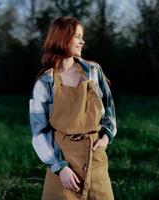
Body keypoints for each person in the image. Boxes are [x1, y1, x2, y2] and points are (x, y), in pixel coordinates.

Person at [29, 16, 117, 200]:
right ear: (62, 38)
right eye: (77, 36)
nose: (82, 41)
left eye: (82, 36)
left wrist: (106, 136)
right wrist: (60, 168)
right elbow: (39, 132)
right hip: (63, 161)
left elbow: (109, 109)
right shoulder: (45, 82)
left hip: (95, 158)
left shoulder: (93, 71)